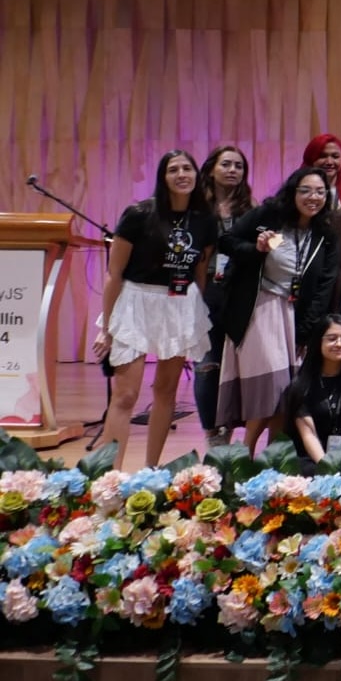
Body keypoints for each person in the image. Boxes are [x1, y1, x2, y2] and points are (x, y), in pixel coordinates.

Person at [93, 149, 217, 470]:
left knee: (166, 391)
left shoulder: (205, 220)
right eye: (173, 169)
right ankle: (111, 477)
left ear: (196, 175)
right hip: (136, 301)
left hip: (179, 305)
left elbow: (200, 272)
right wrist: (106, 328)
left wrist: (198, 316)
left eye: (187, 168)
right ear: (163, 177)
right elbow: (114, 273)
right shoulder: (138, 213)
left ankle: (151, 471)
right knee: (125, 396)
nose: (181, 174)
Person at [218, 168, 341, 455]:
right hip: (260, 308)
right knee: (271, 388)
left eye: (320, 192)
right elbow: (228, 241)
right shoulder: (269, 215)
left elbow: (325, 283)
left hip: (295, 314)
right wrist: (257, 248)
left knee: (287, 396)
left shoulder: (326, 231)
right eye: (306, 191)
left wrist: (308, 329)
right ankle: (243, 454)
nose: (313, 197)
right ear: (293, 192)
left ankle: (272, 459)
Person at [196, 145, 254, 449]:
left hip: (238, 295)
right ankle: (212, 435)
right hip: (203, 294)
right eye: (227, 164)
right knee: (207, 365)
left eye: (239, 166)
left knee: (237, 369)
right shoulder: (197, 208)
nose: (233, 170)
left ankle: (233, 434)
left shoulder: (250, 209)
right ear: (211, 169)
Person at [284, 316, 341, 473]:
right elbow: (308, 435)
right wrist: (327, 469)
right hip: (313, 456)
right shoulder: (300, 386)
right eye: (332, 339)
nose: (339, 344)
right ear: (318, 342)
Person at [302, 133, 341, 208]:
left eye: (335, 156)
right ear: (311, 160)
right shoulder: (298, 191)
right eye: (322, 156)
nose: (329, 162)